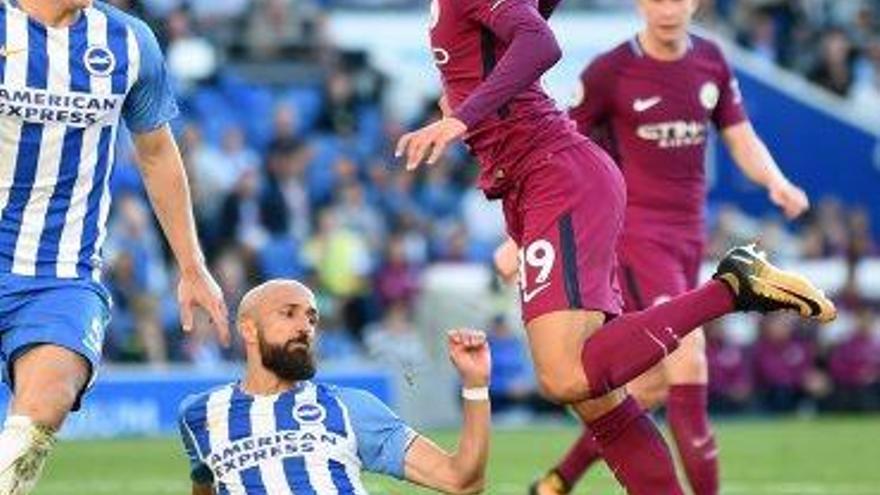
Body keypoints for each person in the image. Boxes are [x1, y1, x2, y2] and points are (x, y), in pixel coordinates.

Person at [396, 0, 835, 492]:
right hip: (538, 185)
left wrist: (461, 117)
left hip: (555, 178)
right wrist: (514, 231)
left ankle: (734, 287)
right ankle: (566, 478)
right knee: (602, 401)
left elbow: (540, 43)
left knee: (565, 376)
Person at [523, 0, 812, 493]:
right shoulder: (610, 70)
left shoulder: (712, 61)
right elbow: (560, 147)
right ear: (639, 4)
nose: (668, 8)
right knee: (689, 358)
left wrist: (776, 183)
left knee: (653, 385)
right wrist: (533, 225)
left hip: (687, 238)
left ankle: (557, 480)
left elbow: (741, 138)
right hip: (634, 235)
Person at [0, 1, 229, 493]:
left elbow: (157, 153)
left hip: (60, 274)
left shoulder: (128, 40)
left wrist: (191, 266)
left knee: (44, 406)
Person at [178, 279, 492, 494]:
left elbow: (461, 480)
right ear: (248, 328)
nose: (305, 327)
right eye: (288, 314)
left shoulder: (351, 408)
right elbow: (203, 477)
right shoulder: (199, 414)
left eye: (312, 319)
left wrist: (475, 385)